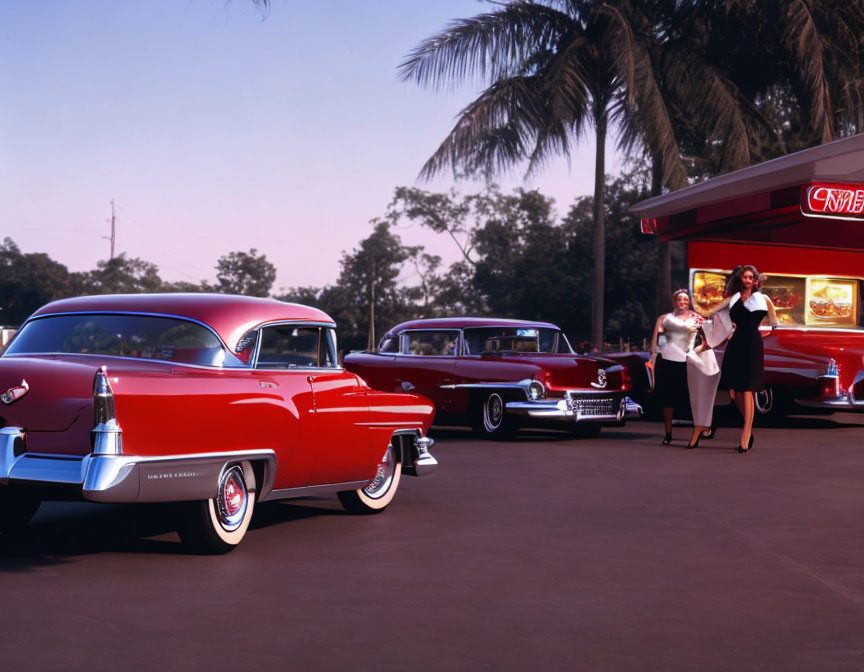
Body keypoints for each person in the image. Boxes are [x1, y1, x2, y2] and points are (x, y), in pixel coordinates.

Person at [694, 265, 779, 453]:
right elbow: (708, 312)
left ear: (754, 280)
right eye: (744, 277)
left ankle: (746, 434)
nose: (747, 280)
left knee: (747, 390)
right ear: (740, 279)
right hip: (736, 343)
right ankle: (748, 425)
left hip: (753, 344)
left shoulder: (763, 299)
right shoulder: (732, 299)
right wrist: (691, 310)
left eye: (751, 277)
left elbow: (775, 324)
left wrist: (762, 334)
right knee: (735, 392)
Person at [649, 289, 699, 445]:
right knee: (668, 399)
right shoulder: (665, 318)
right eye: (679, 300)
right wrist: (653, 356)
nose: (683, 302)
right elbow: (656, 339)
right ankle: (668, 433)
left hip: (688, 360)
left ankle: (698, 431)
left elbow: (708, 335)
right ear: (674, 302)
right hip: (668, 359)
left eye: (686, 300)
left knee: (693, 398)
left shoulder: (696, 319)